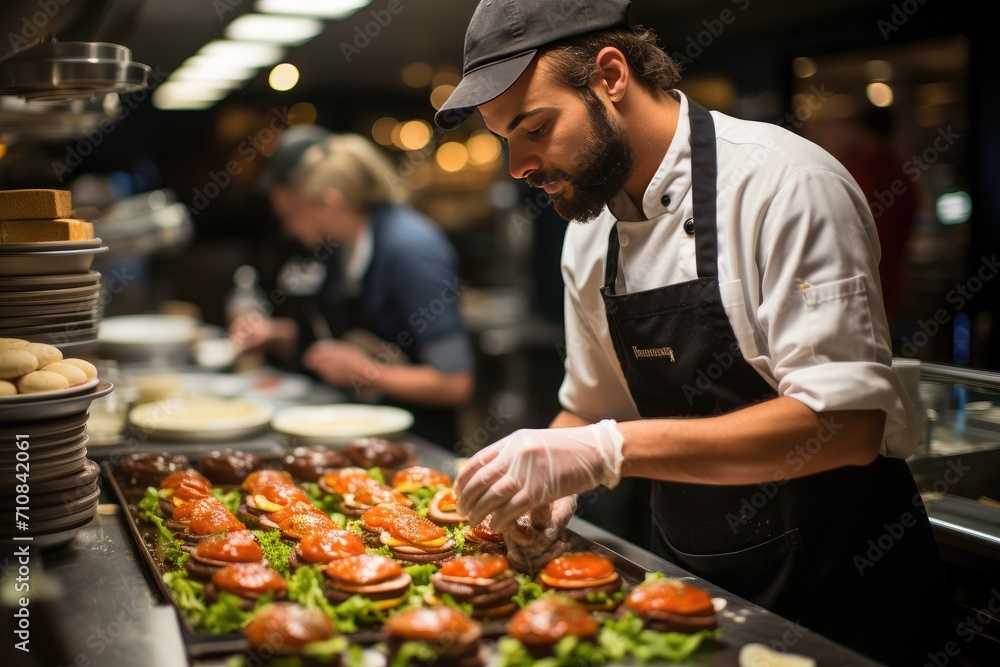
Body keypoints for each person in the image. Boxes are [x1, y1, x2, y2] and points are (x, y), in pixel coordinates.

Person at [437, 1, 951, 664]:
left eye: (535, 127)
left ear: (612, 75)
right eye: (507, 138)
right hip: (692, 590)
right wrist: (544, 475)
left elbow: (846, 425)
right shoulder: (590, 237)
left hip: (841, 598)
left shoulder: (785, 186)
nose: (517, 165)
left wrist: (602, 451)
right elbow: (593, 407)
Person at [230, 129, 475, 447]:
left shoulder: (411, 250)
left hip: (418, 446)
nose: (288, 228)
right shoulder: (344, 247)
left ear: (331, 202)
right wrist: (281, 335)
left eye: (292, 214)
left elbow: (456, 382)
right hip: (364, 437)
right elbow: (352, 331)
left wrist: (366, 372)